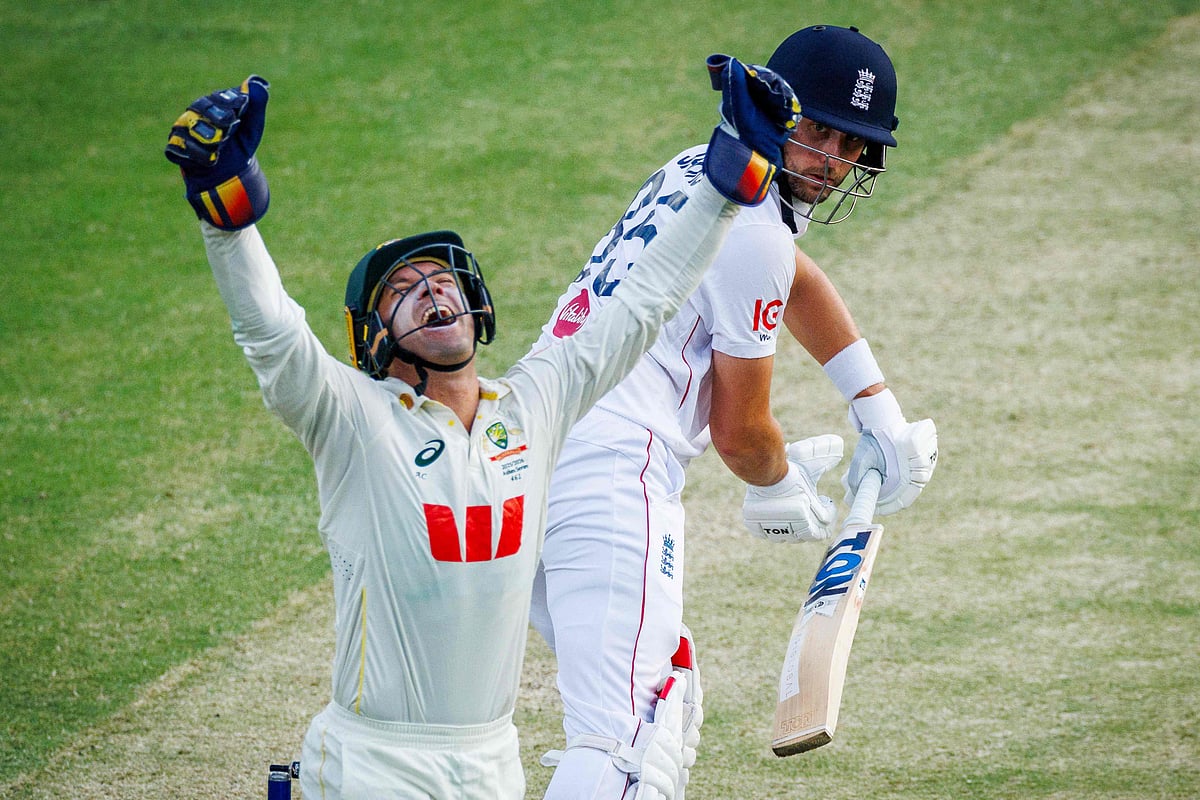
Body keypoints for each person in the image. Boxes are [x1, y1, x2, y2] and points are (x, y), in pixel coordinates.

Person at [164, 56, 800, 800]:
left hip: (493, 763)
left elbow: (645, 299)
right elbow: (271, 337)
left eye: (443, 281)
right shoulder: (352, 421)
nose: (433, 293)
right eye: (404, 291)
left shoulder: (534, 405)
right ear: (373, 338)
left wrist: (731, 184)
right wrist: (227, 221)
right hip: (375, 763)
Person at [528, 24, 940, 799]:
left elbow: (794, 274)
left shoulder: (700, 170)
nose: (833, 161)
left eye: (851, 145)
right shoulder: (756, 228)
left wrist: (873, 400)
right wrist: (777, 483)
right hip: (613, 472)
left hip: (527, 446)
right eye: (819, 133)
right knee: (633, 736)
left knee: (661, 695)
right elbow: (741, 433)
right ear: (780, 116)